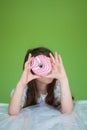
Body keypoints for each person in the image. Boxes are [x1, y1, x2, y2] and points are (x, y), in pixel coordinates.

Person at [8, 46, 73, 115]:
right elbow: (13, 113)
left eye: (51, 65)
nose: (49, 70)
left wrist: (63, 79)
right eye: (41, 66)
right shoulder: (25, 89)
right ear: (31, 69)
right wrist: (21, 84)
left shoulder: (57, 86)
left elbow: (67, 112)